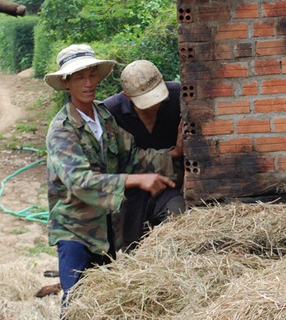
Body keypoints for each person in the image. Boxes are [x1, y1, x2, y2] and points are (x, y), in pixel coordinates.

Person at [43, 44, 183, 306]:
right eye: (80, 77)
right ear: (66, 82)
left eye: (92, 75)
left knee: (100, 304)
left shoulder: (104, 116)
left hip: (106, 228)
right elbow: (79, 182)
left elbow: (130, 156)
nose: (88, 83)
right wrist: (135, 180)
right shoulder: (62, 130)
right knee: (76, 303)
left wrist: (172, 154)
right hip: (76, 231)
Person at [103, 60, 186, 249]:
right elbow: (119, 161)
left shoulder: (179, 96)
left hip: (171, 188)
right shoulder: (110, 112)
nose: (153, 106)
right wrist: (174, 153)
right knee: (134, 250)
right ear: (127, 96)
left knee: (179, 226)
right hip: (131, 196)